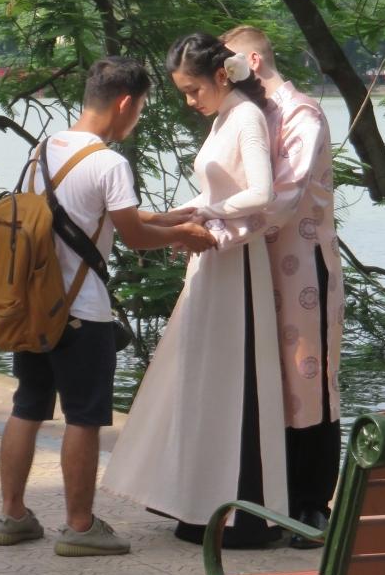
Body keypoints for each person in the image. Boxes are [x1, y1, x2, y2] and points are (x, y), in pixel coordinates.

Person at [0, 56, 215, 558]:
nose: (137, 118)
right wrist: (183, 234)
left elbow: (89, 214)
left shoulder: (43, 150)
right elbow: (133, 236)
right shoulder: (110, 163)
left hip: (35, 306)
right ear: (125, 103)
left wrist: (168, 217)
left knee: (28, 406)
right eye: (140, 109)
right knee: (84, 417)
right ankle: (79, 526)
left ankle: (12, 514)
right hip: (82, 313)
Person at [101, 33, 288, 547]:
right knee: (204, 378)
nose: (190, 100)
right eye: (183, 91)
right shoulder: (225, 117)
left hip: (235, 264)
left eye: (193, 90)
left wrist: (204, 212)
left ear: (221, 76)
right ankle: (198, 501)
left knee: (232, 380)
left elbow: (261, 193)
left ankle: (243, 514)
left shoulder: (245, 116)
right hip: (213, 258)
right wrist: (182, 215)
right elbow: (218, 191)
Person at [212, 25, 344, 544]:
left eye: (228, 63)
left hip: (303, 264)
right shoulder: (249, 114)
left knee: (308, 380)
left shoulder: (301, 114)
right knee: (270, 379)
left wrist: (216, 230)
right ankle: (274, 497)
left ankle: (313, 502)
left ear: (252, 61)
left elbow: (285, 195)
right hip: (257, 262)